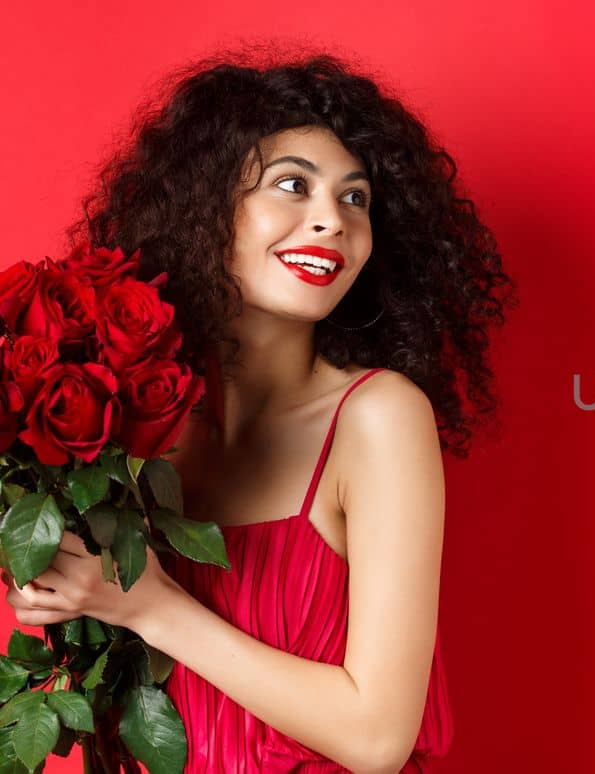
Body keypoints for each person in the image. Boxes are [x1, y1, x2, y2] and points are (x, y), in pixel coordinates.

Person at [0, 48, 515, 773]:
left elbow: (377, 738)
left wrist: (146, 604)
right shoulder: (133, 427)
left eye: (355, 198)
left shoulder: (377, 418)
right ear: (205, 206)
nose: (330, 221)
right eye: (293, 185)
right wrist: (56, 589)